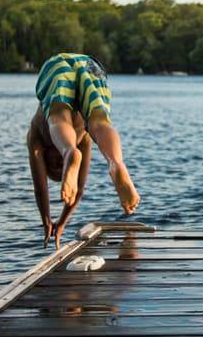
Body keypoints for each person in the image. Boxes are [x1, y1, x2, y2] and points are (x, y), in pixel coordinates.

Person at [27, 53, 140, 248]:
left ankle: (70, 150)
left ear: (46, 158)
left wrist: (47, 219)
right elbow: (78, 190)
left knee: (58, 117)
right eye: (64, 162)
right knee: (99, 122)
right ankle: (115, 162)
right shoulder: (83, 139)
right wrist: (61, 222)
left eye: (57, 163)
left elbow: (40, 189)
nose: (60, 162)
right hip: (88, 64)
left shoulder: (36, 138)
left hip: (57, 66)